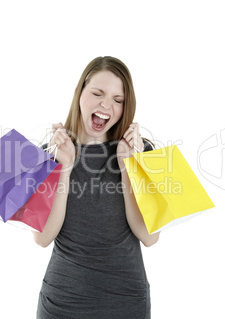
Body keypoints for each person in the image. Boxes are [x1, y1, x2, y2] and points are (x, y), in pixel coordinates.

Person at [34, 56, 160, 318]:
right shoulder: (50, 153)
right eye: (97, 93)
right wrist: (64, 166)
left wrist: (127, 166)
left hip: (127, 303)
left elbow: (149, 237)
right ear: (79, 92)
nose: (106, 104)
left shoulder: (142, 152)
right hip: (62, 304)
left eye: (117, 100)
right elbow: (43, 237)